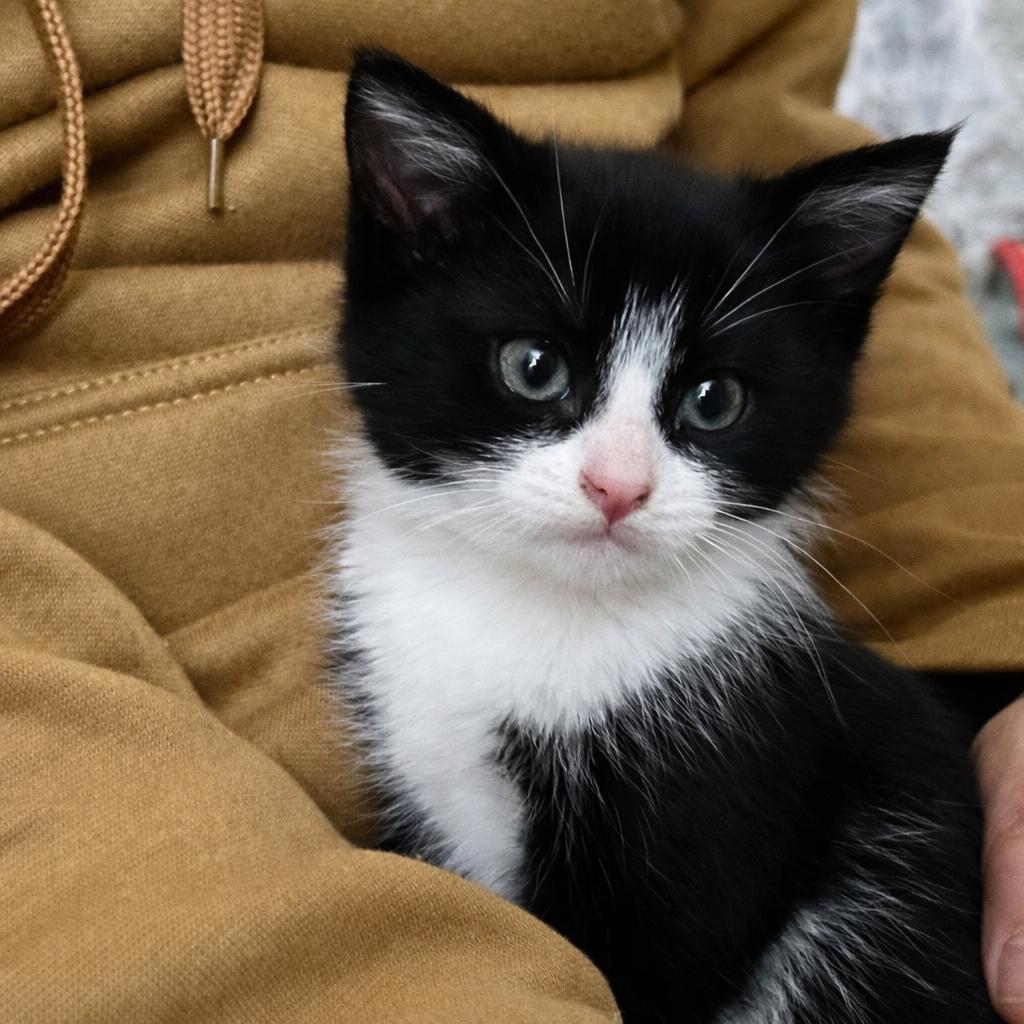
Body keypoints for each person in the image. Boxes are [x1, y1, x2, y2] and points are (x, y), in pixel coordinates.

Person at [1, 0, 1020, 1020]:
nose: (620, 480)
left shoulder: (712, 657)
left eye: (707, 405)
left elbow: (663, 956)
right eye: (538, 372)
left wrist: (1005, 637)